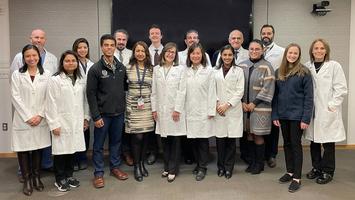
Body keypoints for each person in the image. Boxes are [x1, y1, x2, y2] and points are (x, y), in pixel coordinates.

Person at [10, 29, 57, 172]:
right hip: (24, 112)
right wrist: (28, 115)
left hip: (42, 112)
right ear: (30, 38)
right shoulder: (18, 59)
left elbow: (51, 91)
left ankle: (43, 168)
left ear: (45, 40)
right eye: (36, 37)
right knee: (23, 146)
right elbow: (15, 90)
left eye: (41, 37)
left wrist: (41, 113)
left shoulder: (52, 59)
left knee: (40, 144)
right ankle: (24, 172)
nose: (38, 40)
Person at [87, 34, 128, 189]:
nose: (109, 47)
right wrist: (96, 116)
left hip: (118, 114)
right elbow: (90, 94)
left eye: (112, 45)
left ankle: (115, 168)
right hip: (102, 115)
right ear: (101, 47)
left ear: (115, 46)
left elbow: (124, 88)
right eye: (106, 45)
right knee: (98, 145)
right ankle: (98, 173)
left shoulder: (121, 67)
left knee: (116, 142)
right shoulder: (95, 69)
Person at [304, 39, 348, 185]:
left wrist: (332, 105)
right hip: (312, 111)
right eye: (316, 48)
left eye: (322, 48)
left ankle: (328, 171)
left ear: (326, 50)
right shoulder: (306, 66)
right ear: (312, 50)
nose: (319, 51)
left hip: (327, 110)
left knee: (328, 143)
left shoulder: (334, 66)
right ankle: (316, 168)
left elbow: (341, 88)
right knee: (314, 142)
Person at [272, 43, 314, 193]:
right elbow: (275, 96)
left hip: (297, 116)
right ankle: (290, 171)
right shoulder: (279, 72)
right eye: (290, 53)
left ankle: (297, 177)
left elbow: (309, 97)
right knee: (287, 144)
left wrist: (306, 118)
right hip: (283, 115)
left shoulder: (304, 72)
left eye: (295, 53)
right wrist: (275, 114)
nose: (292, 55)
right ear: (286, 54)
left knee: (296, 145)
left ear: (299, 55)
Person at [46, 50, 89, 192]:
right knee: (60, 152)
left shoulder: (80, 79)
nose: (71, 63)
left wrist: (85, 118)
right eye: (67, 61)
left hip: (76, 120)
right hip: (61, 121)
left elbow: (84, 101)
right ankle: (59, 178)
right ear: (62, 63)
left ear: (77, 63)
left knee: (72, 149)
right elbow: (50, 103)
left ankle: (69, 176)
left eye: (73, 61)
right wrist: (54, 124)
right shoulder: (55, 79)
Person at [11, 44, 51, 196]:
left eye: (34, 55)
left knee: (37, 148)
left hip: (41, 118)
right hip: (23, 119)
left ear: (38, 56)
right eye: (28, 56)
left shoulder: (46, 74)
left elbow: (49, 96)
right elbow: (15, 96)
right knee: (23, 149)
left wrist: (40, 115)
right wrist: (28, 117)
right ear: (23, 58)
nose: (31, 58)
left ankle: (36, 177)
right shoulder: (17, 74)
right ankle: (27, 179)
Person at [151, 42, 186, 182]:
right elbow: (153, 92)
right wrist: (154, 109)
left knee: (175, 140)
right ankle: (166, 167)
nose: (171, 54)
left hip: (174, 111)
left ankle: (173, 169)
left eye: (173, 52)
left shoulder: (180, 69)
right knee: (164, 141)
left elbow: (182, 91)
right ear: (163, 53)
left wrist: (177, 109)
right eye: (168, 51)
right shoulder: (157, 69)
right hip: (161, 111)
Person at [239, 39, 275, 175]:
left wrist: (254, 103)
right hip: (245, 108)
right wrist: (242, 102)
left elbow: (268, 88)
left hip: (260, 108)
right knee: (249, 134)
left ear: (262, 50)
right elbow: (238, 86)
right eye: (252, 49)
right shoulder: (242, 65)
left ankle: (259, 164)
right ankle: (252, 162)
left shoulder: (267, 67)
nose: (254, 51)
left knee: (258, 135)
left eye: (257, 49)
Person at [212, 45, 244, 179]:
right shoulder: (214, 71)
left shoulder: (239, 71)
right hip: (218, 109)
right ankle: (220, 167)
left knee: (231, 142)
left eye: (230, 55)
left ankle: (228, 168)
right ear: (221, 56)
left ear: (233, 56)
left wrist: (227, 105)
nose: (227, 57)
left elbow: (240, 91)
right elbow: (211, 90)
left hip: (232, 109)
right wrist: (218, 104)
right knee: (220, 142)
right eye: (224, 55)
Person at [185, 43, 215, 181]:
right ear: (189, 55)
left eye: (198, 53)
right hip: (189, 111)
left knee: (203, 141)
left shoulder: (209, 71)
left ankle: (202, 167)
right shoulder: (185, 71)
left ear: (202, 55)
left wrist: (210, 110)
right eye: (193, 53)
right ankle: (198, 164)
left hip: (203, 111)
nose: (195, 56)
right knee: (192, 140)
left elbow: (212, 92)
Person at [126, 41, 155, 182]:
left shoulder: (152, 69)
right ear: (134, 53)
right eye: (137, 51)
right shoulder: (128, 68)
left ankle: (142, 163)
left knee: (145, 138)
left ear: (146, 53)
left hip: (148, 106)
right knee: (137, 137)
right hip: (133, 106)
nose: (140, 53)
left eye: (142, 51)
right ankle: (136, 166)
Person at [260, 24, 285, 168]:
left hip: (275, 92)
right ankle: (260, 154)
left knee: (274, 125)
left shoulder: (281, 51)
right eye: (264, 33)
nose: (266, 35)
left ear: (273, 34)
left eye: (269, 33)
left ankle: (272, 155)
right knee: (259, 124)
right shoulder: (256, 49)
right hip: (258, 92)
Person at [72, 38, 94, 171]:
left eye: (85, 47)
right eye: (79, 47)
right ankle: (74, 159)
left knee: (85, 129)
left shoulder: (92, 64)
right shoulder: (72, 63)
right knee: (75, 130)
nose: (82, 50)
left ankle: (83, 157)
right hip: (75, 100)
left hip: (89, 100)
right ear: (75, 49)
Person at [113, 29, 134, 166]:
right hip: (113, 95)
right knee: (116, 127)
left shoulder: (132, 54)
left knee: (127, 125)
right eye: (118, 39)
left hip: (129, 94)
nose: (121, 42)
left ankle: (127, 152)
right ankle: (115, 155)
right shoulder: (108, 52)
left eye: (123, 40)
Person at [146, 24, 164, 165]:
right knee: (152, 123)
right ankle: (153, 152)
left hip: (164, 93)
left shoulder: (168, 51)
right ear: (149, 36)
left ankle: (166, 152)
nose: (155, 35)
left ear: (161, 35)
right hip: (148, 92)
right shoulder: (145, 52)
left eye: (157, 33)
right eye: (152, 34)